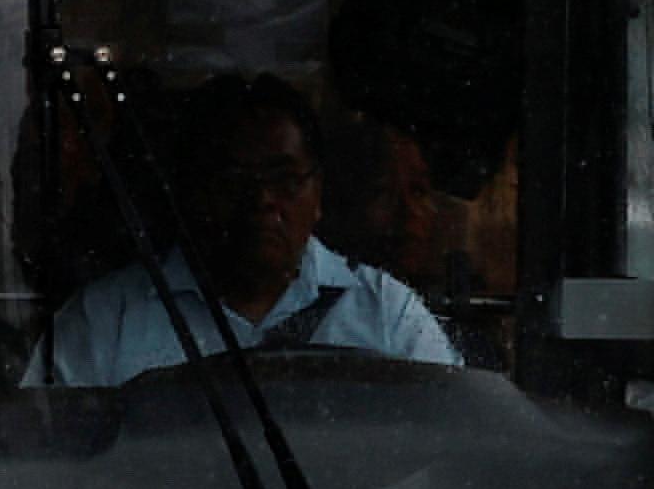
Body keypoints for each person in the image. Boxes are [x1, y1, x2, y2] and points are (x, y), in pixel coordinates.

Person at [30, 77, 464, 387]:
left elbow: (450, 442)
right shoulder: (106, 324)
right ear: (192, 190)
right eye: (235, 181)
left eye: (285, 180)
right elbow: (48, 458)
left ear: (318, 194)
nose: (262, 200)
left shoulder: (387, 318)